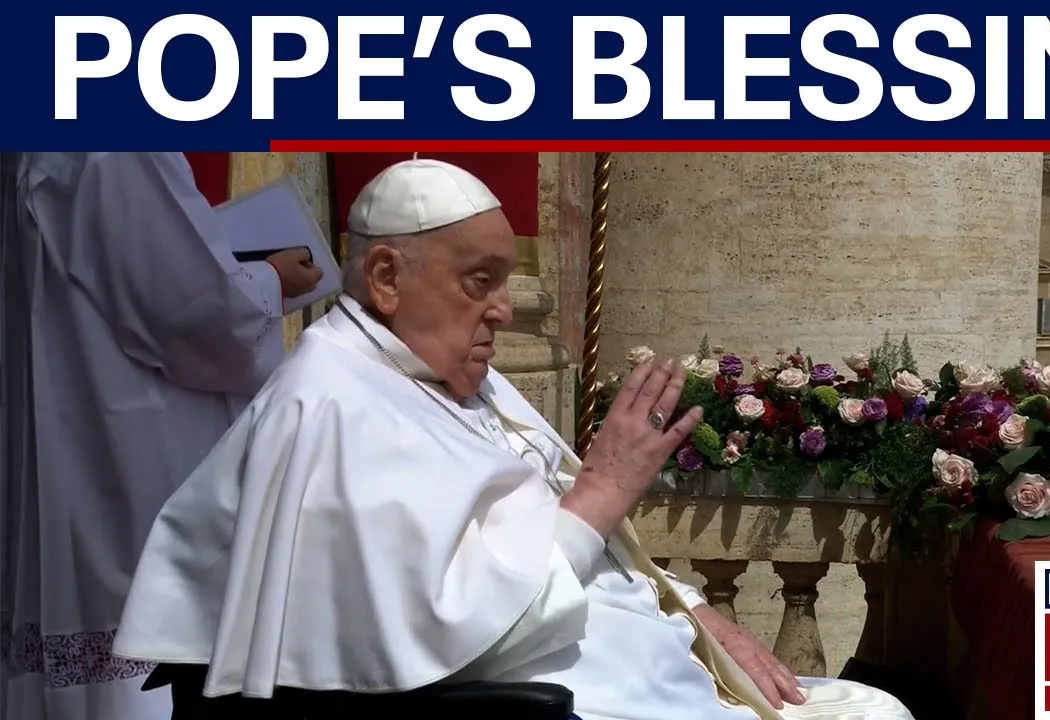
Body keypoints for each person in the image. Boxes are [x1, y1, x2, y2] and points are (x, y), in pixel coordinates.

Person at [112, 159, 914, 720]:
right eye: (480, 281)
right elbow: (457, 633)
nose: (502, 308)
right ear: (386, 279)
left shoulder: (453, 375)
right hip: (568, 701)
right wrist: (602, 492)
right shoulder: (330, 409)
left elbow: (565, 545)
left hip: (645, 667)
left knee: (873, 704)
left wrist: (700, 609)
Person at [0, 152, 322, 720]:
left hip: (73, 411)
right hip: (130, 440)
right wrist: (273, 279)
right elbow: (194, 312)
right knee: (140, 628)